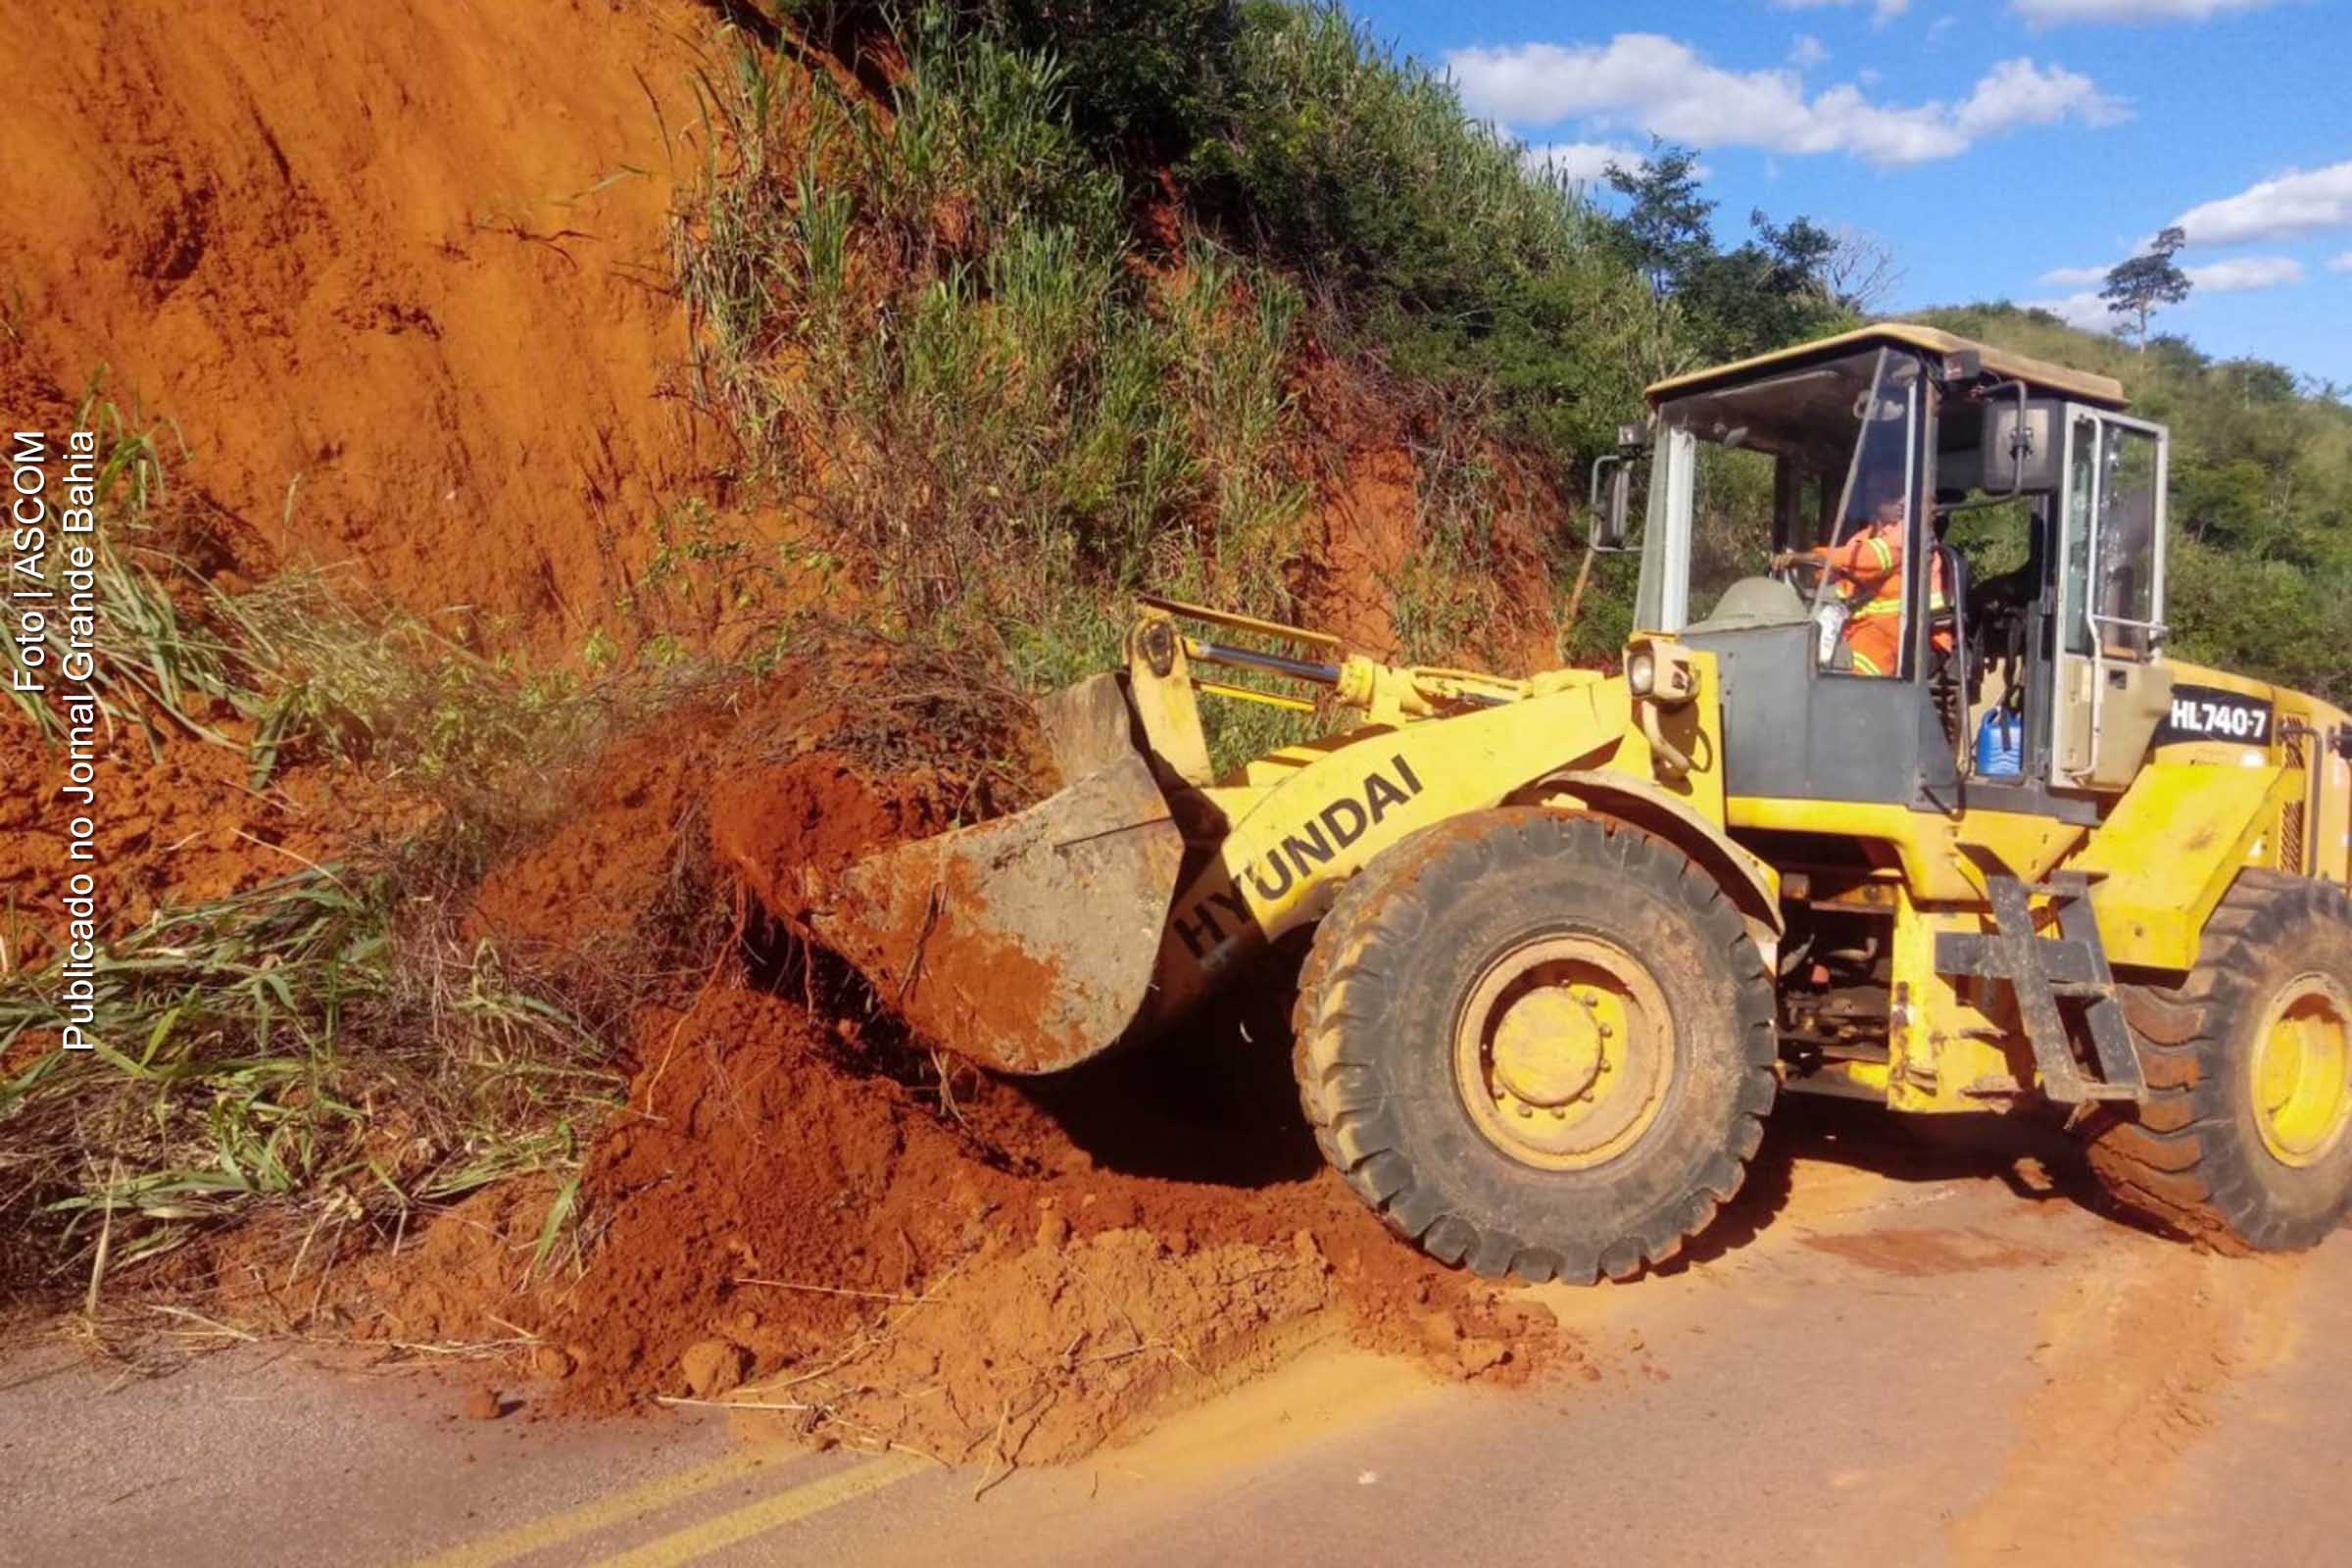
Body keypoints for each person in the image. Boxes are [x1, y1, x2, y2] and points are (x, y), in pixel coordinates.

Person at [1772, 491, 1951, 678]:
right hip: (1865, 623)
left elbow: (1865, 559)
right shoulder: (1864, 537)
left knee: (1852, 668)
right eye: (1891, 495)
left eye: (1904, 497)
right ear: (1873, 501)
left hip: (1913, 630)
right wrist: (1817, 569)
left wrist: (1809, 557)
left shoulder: (1910, 534)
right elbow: (1836, 568)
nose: (1901, 504)